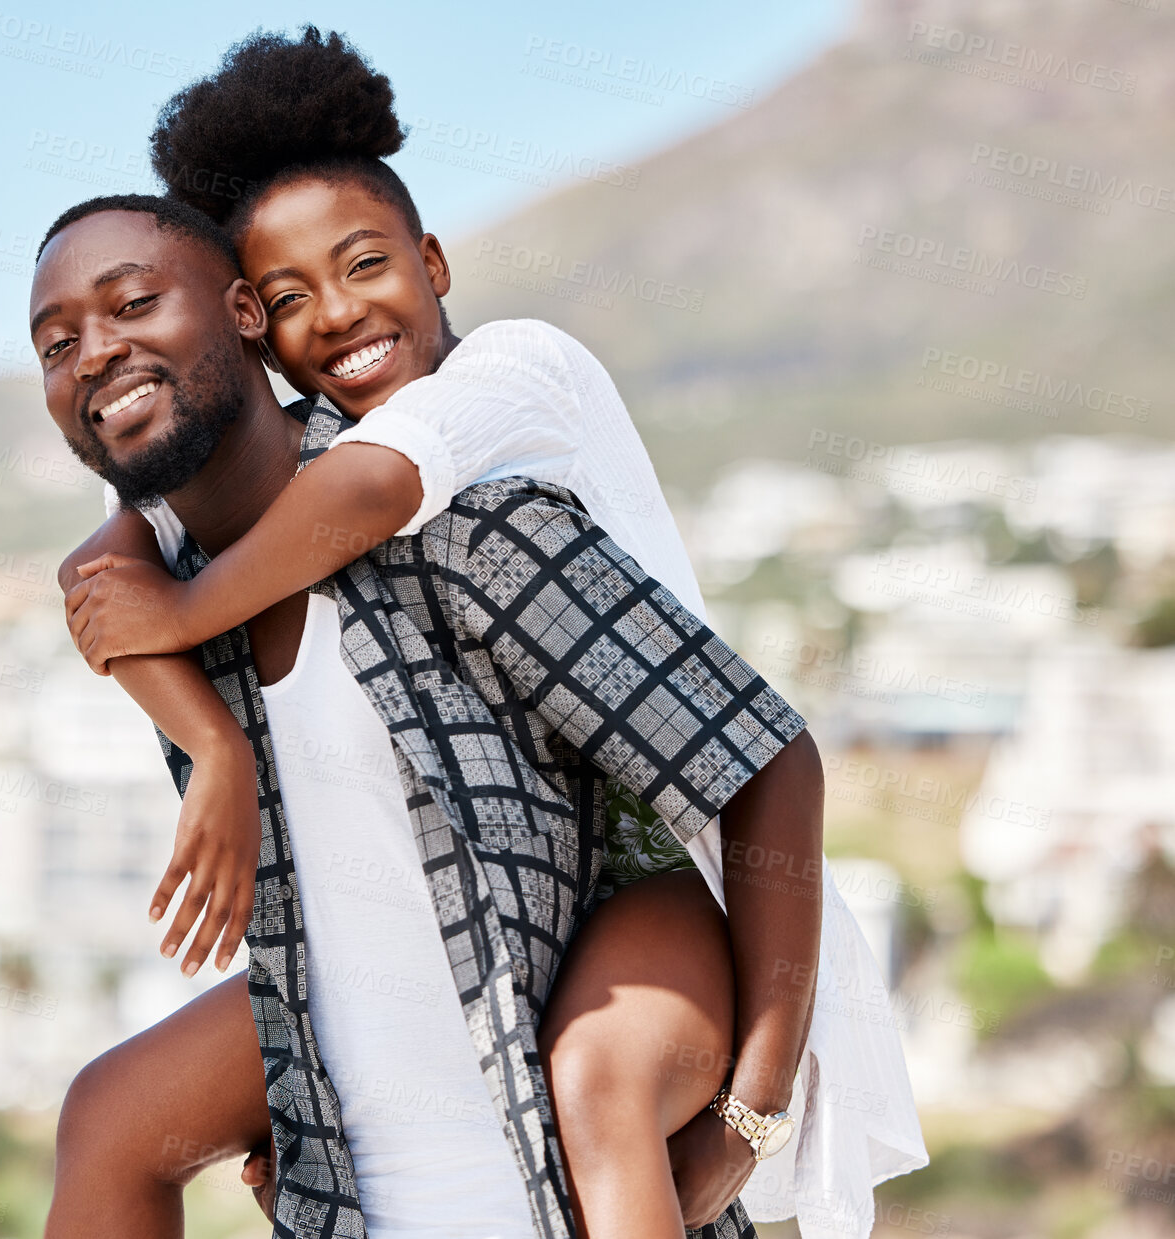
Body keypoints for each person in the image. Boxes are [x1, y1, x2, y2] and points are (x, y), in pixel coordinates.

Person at [55, 28, 924, 1239]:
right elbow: (114, 544)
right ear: (254, 322)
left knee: (595, 1086)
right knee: (113, 1112)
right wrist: (215, 738)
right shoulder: (288, 489)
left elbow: (369, 493)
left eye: (365, 264)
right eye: (291, 298)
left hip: (657, 870)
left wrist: (750, 1111)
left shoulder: (506, 386)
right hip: (523, 883)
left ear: (435, 260)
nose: (338, 313)